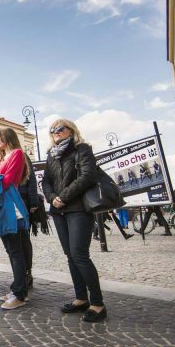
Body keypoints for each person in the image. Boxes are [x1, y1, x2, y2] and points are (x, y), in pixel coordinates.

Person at [41, 119, 107, 323]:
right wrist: (52, 198)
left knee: (80, 254)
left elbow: (87, 176)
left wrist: (64, 197)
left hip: (78, 208)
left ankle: (97, 303)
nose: (56, 132)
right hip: (59, 210)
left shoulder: (82, 149)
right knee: (70, 255)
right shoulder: (51, 155)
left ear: (71, 130)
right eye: (53, 130)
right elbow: (46, 181)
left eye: (60, 129)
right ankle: (81, 298)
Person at [0, 128, 31, 310]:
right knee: (11, 250)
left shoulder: (17, 153)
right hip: (2, 204)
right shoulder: (2, 158)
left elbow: (6, 180)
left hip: (11, 205)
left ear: (8, 138)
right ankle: (17, 288)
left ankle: (20, 294)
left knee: (16, 250)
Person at [17, 152, 41, 289]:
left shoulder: (23, 155)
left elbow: (31, 180)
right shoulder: (2, 157)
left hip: (23, 202)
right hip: (9, 203)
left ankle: (27, 272)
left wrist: (33, 202)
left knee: (24, 239)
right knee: (14, 241)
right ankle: (19, 274)